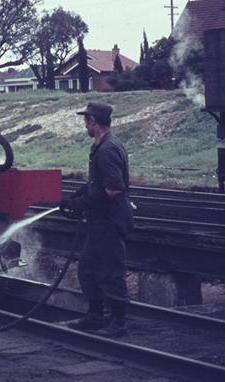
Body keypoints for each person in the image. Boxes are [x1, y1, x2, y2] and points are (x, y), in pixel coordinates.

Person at [60, 101, 134, 337]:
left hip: (109, 221)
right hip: (99, 221)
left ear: (92, 121)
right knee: (88, 269)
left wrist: (83, 203)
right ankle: (94, 315)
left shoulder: (108, 150)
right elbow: (99, 183)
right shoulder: (102, 146)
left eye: (86, 121)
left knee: (110, 270)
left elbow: (113, 189)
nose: (85, 125)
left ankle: (119, 321)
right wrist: (82, 192)